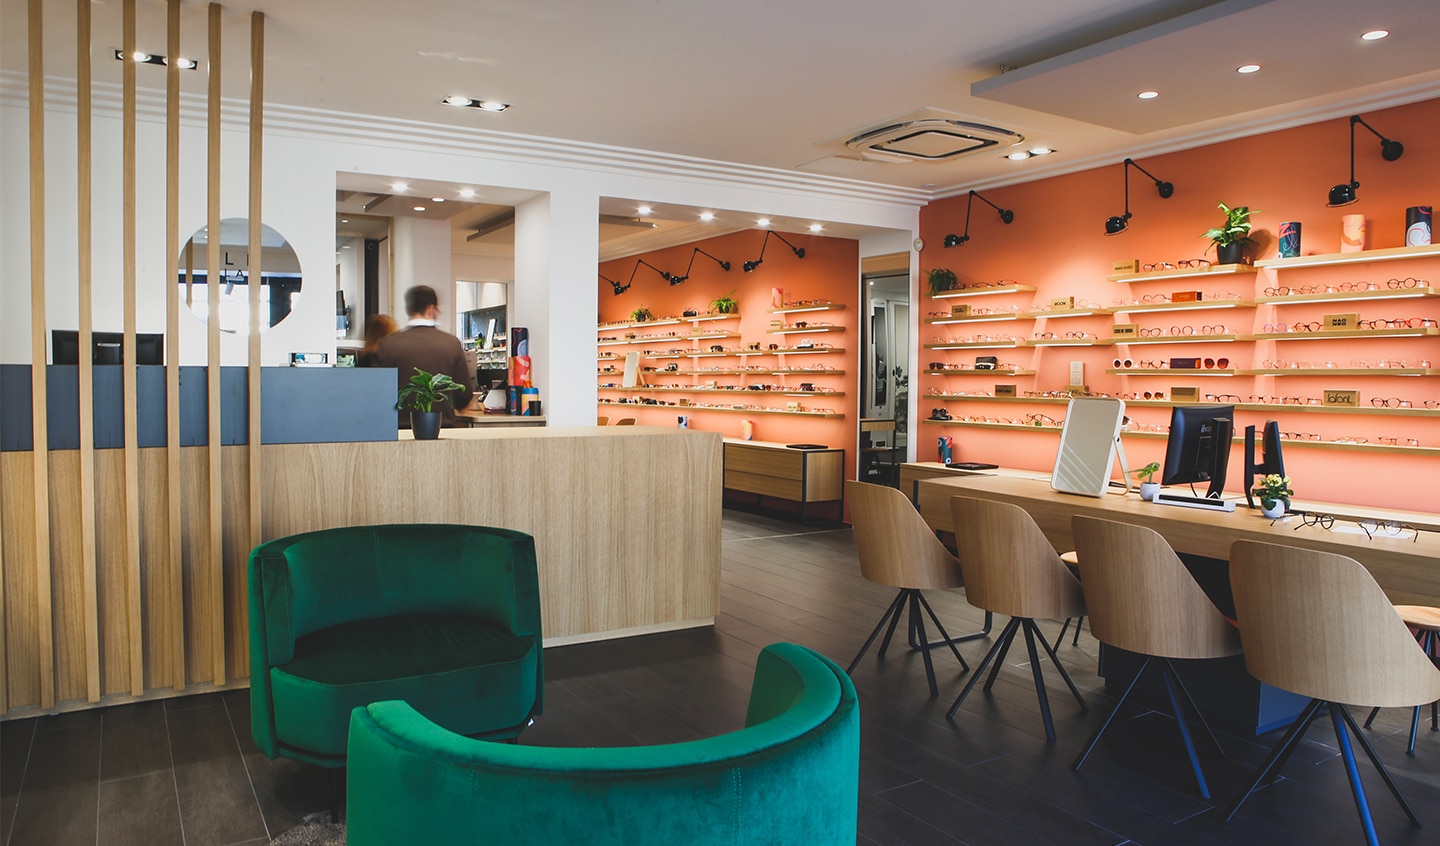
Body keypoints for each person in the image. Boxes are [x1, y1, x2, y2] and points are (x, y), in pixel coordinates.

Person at [375, 285, 476, 427]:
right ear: (431, 308)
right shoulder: (451, 344)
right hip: (441, 429)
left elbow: (376, 394)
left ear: (407, 309)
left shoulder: (387, 344)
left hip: (397, 430)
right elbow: (463, 396)